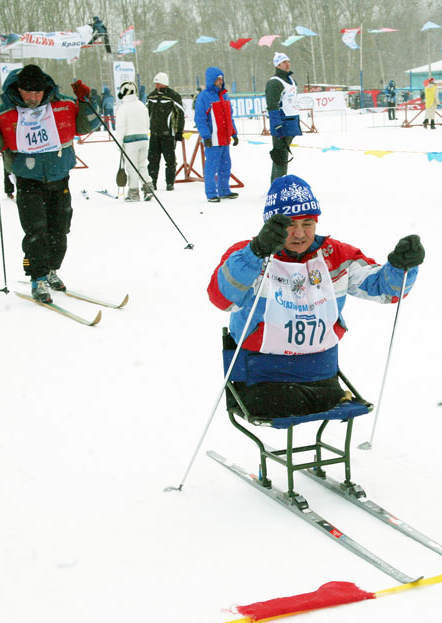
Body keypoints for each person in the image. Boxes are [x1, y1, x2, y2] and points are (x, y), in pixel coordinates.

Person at [207, 174, 425, 418]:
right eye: (289, 224)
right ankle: (319, 399)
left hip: (320, 374)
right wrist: (255, 252)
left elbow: (385, 291)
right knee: (274, 403)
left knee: (295, 402)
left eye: (308, 223)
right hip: (262, 377)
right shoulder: (247, 255)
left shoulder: (337, 255)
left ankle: (320, 397)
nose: (299, 234)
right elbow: (221, 298)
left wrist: (400, 267)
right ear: (272, 225)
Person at [0, 64, 100, 303]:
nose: (32, 97)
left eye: (37, 93)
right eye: (27, 92)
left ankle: (52, 269)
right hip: (28, 179)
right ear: (18, 89)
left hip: (58, 175)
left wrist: (86, 101)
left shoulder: (61, 104)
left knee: (60, 229)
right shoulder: (4, 112)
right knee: (36, 231)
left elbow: (87, 126)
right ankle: (38, 276)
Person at [194, 66, 238, 202]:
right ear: (211, 80)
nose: (220, 81)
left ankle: (224, 190)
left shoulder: (225, 95)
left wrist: (234, 133)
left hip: (224, 138)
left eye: (221, 78)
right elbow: (200, 119)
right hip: (213, 139)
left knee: (225, 165)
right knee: (211, 166)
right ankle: (211, 192)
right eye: (218, 79)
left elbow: (230, 117)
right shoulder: (204, 97)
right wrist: (206, 136)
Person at [145, 71, 185, 192]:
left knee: (170, 161)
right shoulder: (151, 96)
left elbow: (180, 114)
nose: (156, 86)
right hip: (154, 134)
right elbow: (146, 113)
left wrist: (179, 132)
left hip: (168, 135)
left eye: (158, 83)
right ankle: (152, 183)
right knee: (152, 160)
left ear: (164, 84)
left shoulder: (173, 96)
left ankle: (170, 183)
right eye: (155, 84)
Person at [265, 52, 301, 182]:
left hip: (292, 122)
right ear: (278, 65)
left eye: (288, 61)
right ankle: (276, 186)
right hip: (281, 123)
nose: (288, 64)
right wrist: (277, 125)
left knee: (284, 155)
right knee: (280, 156)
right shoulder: (274, 82)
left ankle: (281, 183)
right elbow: (272, 106)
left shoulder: (292, 80)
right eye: (284, 62)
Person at [114, 80, 151, 202]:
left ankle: (133, 193)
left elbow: (120, 128)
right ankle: (148, 187)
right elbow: (147, 123)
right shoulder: (142, 105)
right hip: (144, 138)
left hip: (130, 141)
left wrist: (119, 144)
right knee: (142, 165)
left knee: (132, 167)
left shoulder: (123, 108)